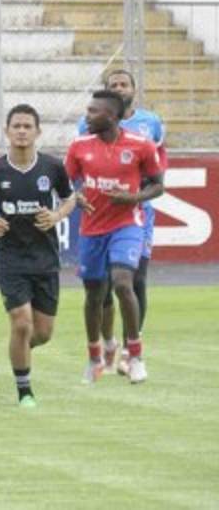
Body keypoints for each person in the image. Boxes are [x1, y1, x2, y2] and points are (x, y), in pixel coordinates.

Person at [0, 105, 76, 406]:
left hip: (45, 257)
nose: (22, 131)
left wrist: (56, 216)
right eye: (16, 126)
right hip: (11, 258)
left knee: (42, 333)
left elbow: (70, 199)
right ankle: (24, 390)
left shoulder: (52, 168)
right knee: (21, 322)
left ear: (38, 132)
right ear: (7, 131)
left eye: (28, 126)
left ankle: (19, 348)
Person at [65, 90, 163, 385]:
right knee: (94, 295)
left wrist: (133, 196)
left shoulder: (141, 146)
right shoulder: (79, 146)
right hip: (92, 229)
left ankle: (135, 356)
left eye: (93, 111)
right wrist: (76, 198)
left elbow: (158, 186)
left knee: (123, 283)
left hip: (127, 225)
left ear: (111, 116)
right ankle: (95, 356)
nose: (87, 116)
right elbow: (65, 183)